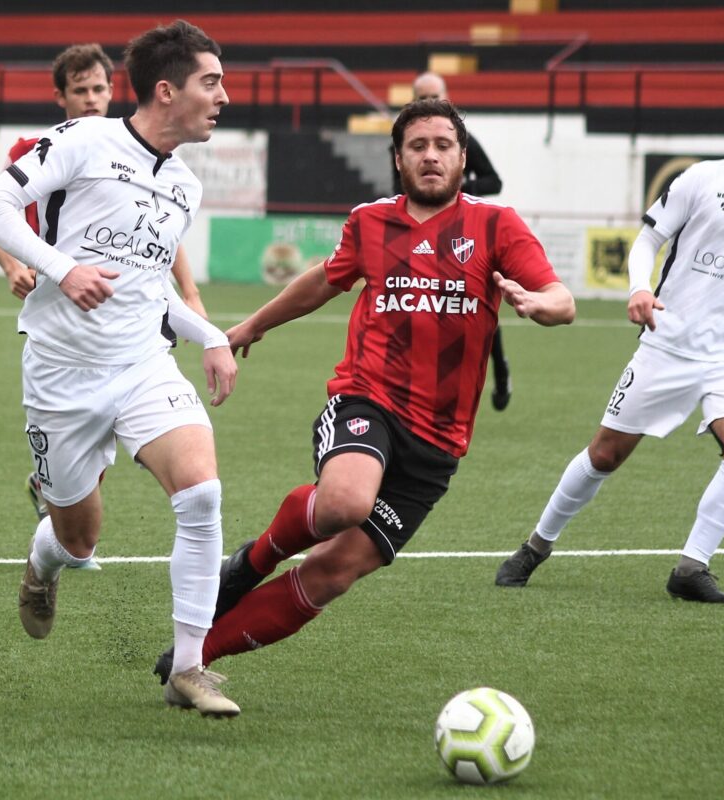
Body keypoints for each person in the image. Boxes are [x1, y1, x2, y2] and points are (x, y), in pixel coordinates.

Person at [152, 98, 575, 685]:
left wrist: (537, 303)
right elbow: (324, 280)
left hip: (440, 441)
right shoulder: (372, 220)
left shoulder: (496, 225)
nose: (431, 156)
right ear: (398, 159)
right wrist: (254, 324)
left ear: (462, 156)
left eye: (443, 146)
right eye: (418, 146)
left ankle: (193, 663)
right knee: (345, 503)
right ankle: (255, 560)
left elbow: (562, 299)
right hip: (367, 398)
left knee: (333, 572)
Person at [0, 20, 241, 717]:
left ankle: (190, 666)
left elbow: (152, 290)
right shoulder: (85, 139)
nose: (224, 96)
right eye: (211, 82)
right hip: (62, 375)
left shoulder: (184, 186)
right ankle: (44, 564)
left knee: (203, 494)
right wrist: (62, 269)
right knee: (79, 536)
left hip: (142, 364)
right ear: (166, 89)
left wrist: (209, 333)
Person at [495, 77, 724, 603]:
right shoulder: (700, 179)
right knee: (606, 454)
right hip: (668, 342)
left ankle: (691, 569)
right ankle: (536, 546)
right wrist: (639, 289)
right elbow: (649, 240)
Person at [0, 44, 209, 525]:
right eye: (79, 90)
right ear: (60, 97)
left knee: (197, 490)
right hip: (63, 315)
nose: (91, 98)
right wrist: (15, 267)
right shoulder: (52, 146)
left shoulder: (160, 166)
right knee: (75, 502)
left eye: (99, 88)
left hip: (131, 330)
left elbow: (159, 240)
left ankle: (64, 485)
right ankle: (56, 491)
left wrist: (190, 296)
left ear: (113, 90)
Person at [392, 73, 512, 412]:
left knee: (474, 306)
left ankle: (500, 370)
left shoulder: (461, 141)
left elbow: (495, 181)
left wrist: (454, 192)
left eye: (434, 96)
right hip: (413, 233)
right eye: (421, 97)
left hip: (463, 233)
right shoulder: (402, 139)